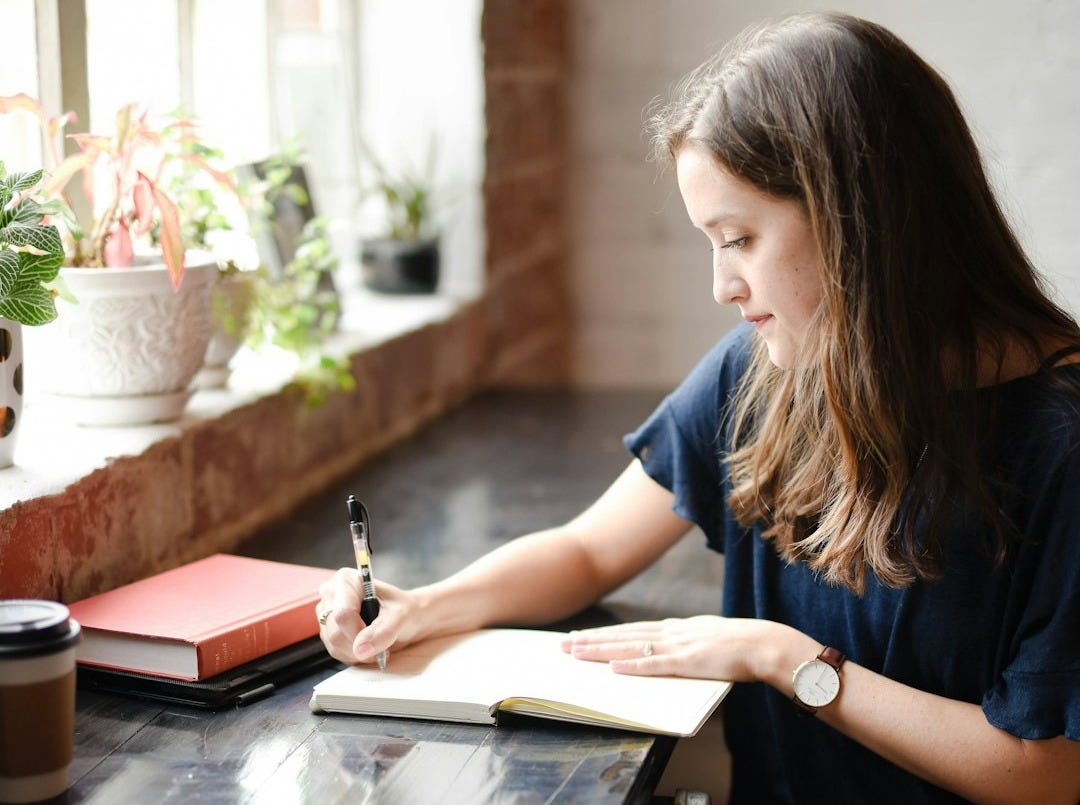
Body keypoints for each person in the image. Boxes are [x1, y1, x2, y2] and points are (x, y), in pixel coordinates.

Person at [319, 12, 1080, 803]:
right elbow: (588, 550)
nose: (723, 286)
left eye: (739, 238)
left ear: (860, 220)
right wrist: (423, 607)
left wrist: (787, 660)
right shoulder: (768, 370)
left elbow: (1046, 772)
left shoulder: (1061, 442)